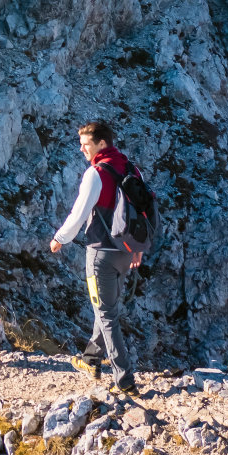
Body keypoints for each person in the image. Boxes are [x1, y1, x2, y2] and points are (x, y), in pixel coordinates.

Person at [49, 120, 141, 393]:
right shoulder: (131, 168)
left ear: (102, 144)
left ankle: (124, 379)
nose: (82, 150)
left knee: (106, 313)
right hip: (125, 252)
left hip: (100, 252)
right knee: (107, 307)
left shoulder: (96, 173)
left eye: (86, 144)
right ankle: (91, 358)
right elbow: (142, 210)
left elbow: (78, 214)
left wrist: (59, 239)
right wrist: (137, 248)